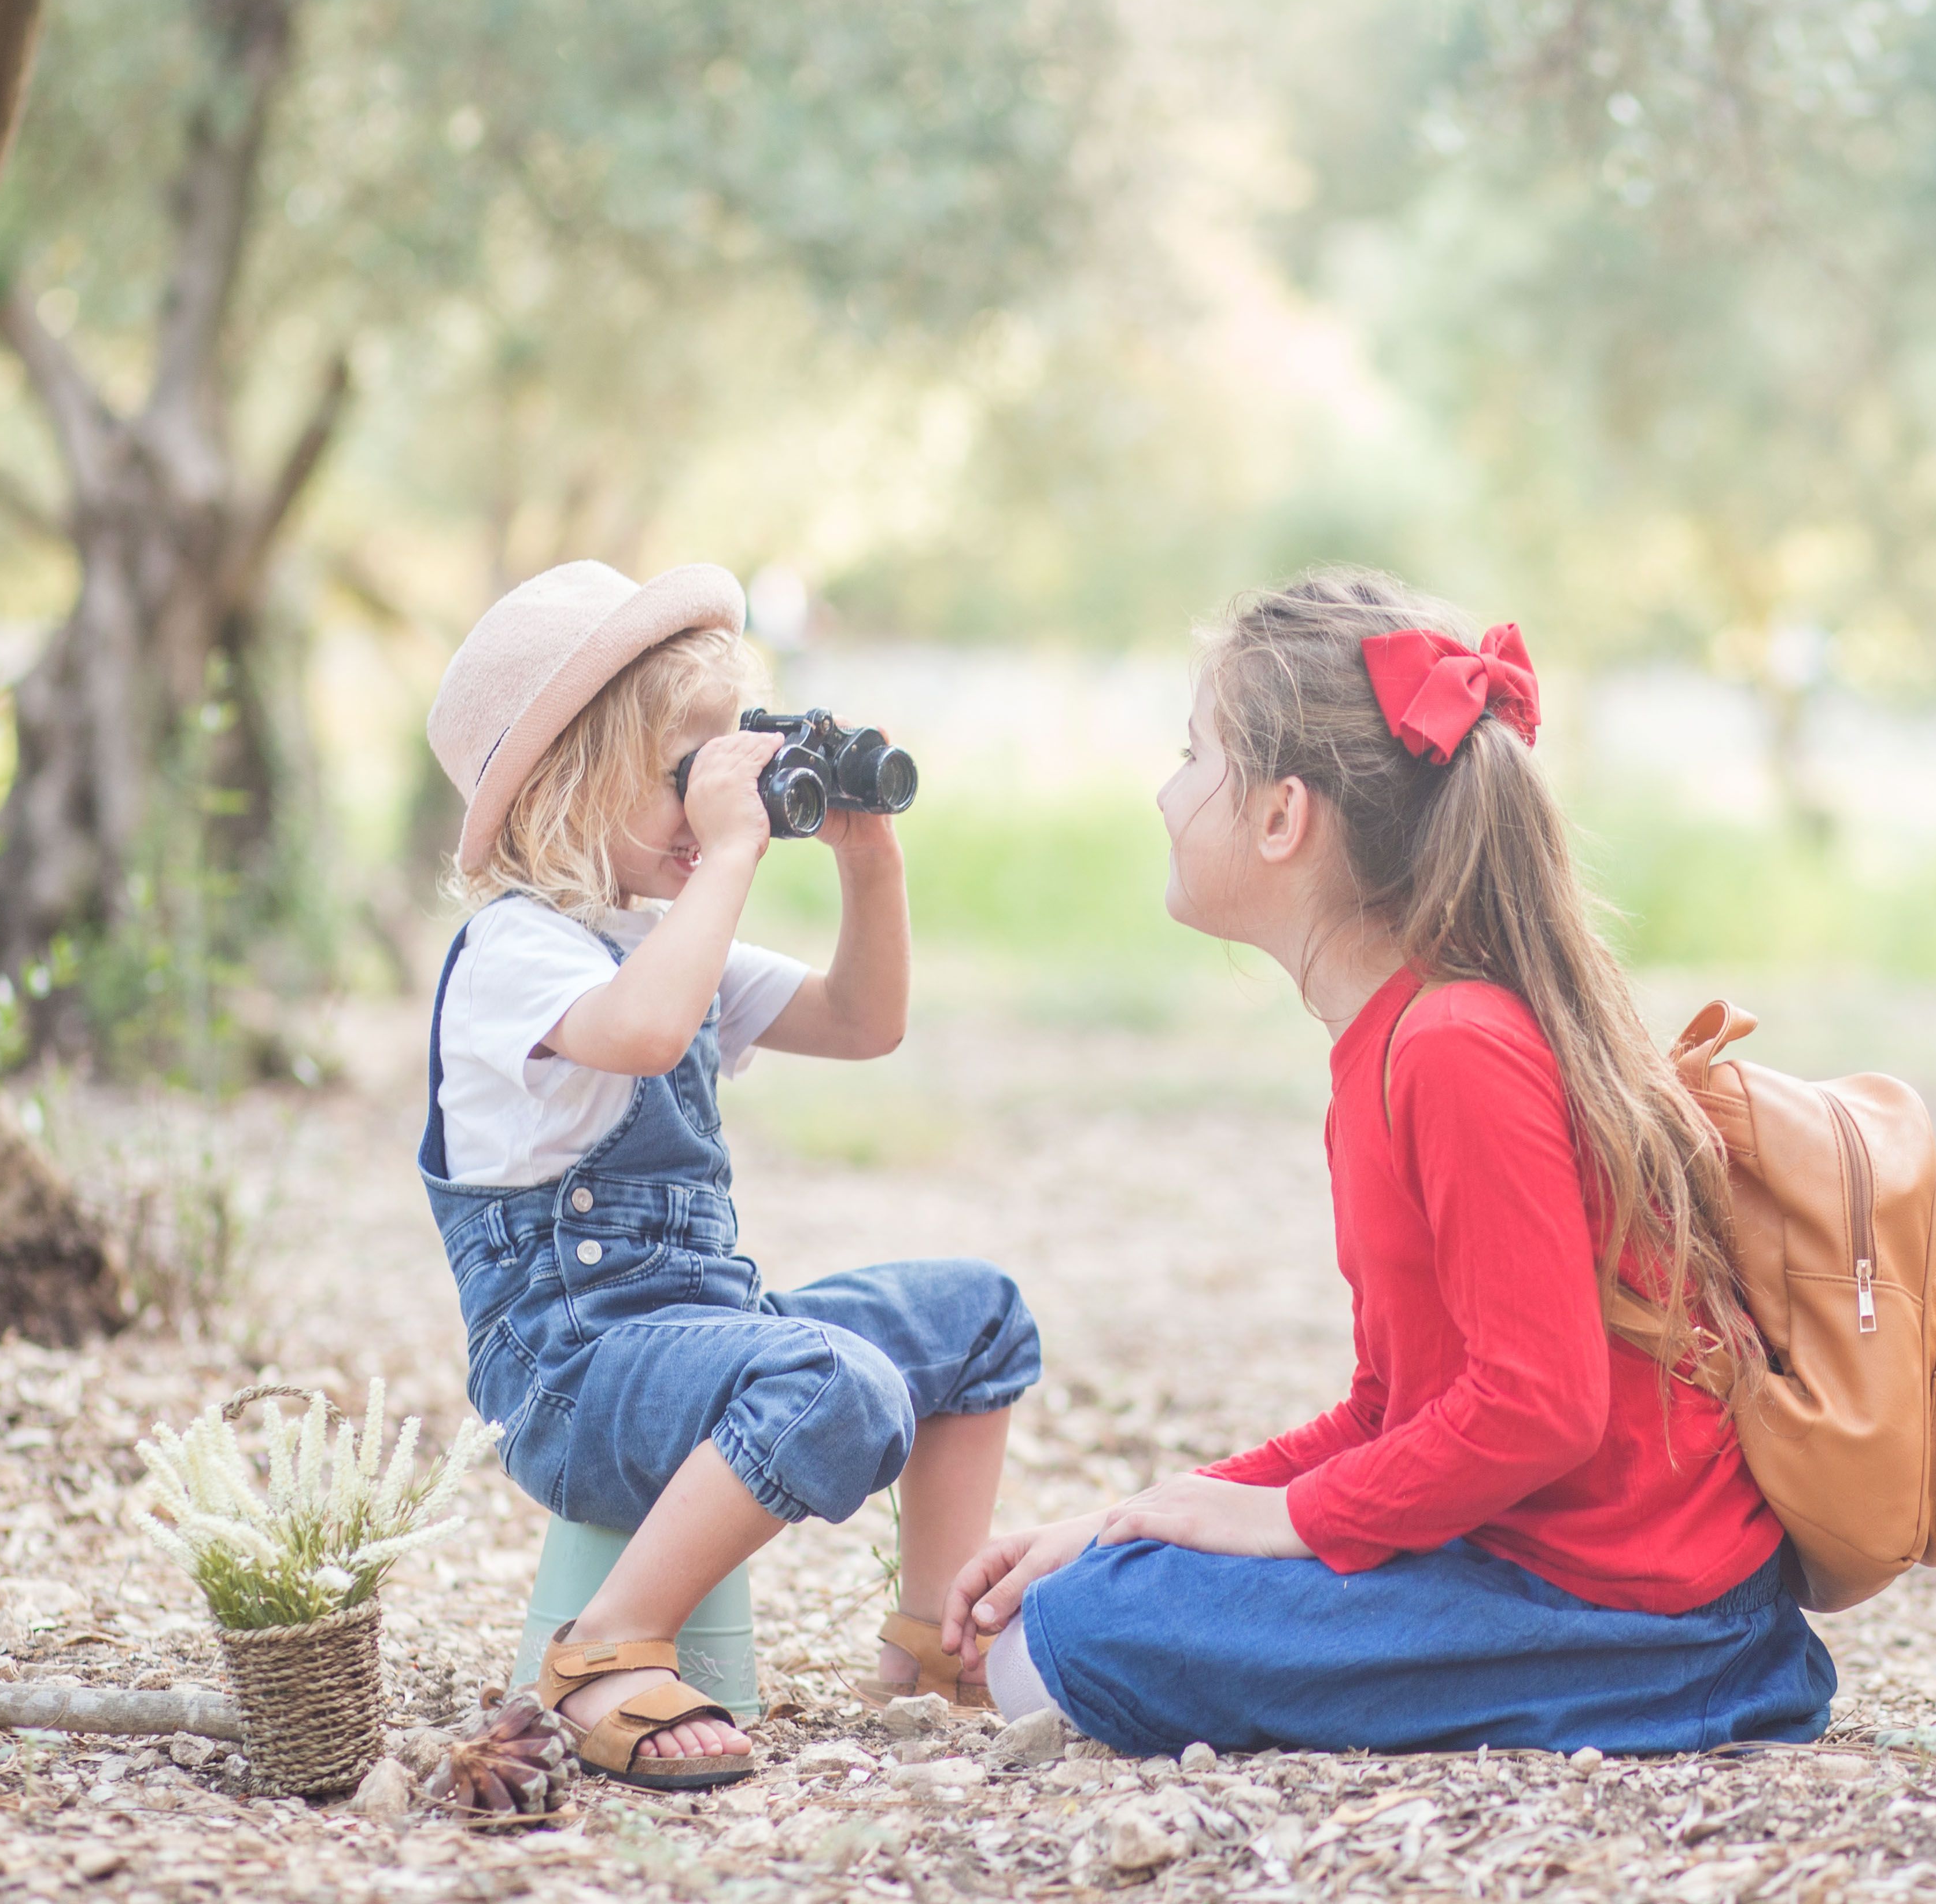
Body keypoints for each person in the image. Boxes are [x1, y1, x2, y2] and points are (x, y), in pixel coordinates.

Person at [941, 569, 1834, 1756]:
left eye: (1192, 754)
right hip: (1560, 1576)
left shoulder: (1459, 1045)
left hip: (1649, 1619)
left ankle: (1673, 1697)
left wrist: (1285, 1522)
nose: (1166, 793)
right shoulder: (1394, 1039)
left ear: (1280, 818)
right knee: (1087, 1605)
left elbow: (1538, 1407)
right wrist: (1138, 1518)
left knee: (1078, 1638)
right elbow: (1395, 1407)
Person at [417, 560, 1038, 1788]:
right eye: (679, 775)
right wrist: (732, 855)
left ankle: (927, 1642)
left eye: (728, 766)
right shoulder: (515, 952)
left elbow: (865, 1022)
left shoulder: (661, 938)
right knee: (840, 1386)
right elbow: (644, 1032)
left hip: (703, 1343)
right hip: (575, 1381)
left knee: (979, 1318)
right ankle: (600, 1650)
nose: (711, 802)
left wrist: (870, 859)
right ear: (559, 786)